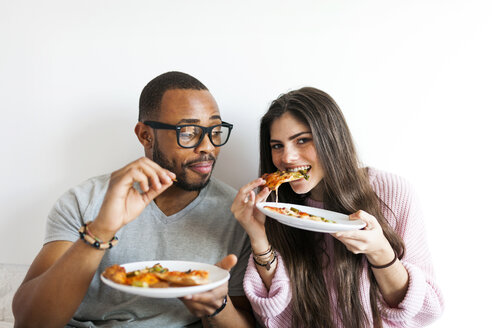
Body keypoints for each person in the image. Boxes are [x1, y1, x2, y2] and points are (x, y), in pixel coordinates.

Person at [13, 71, 254, 328]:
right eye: (189, 132)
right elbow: (30, 321)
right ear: (145, 136)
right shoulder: (85, 200)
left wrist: (217, 307)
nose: (208, 146)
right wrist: (101, 230)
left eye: (215, 130)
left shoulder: (236, 212)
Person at [231, 87, 444, 327]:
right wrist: (258, 236)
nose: (287, 157)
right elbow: (274, 315)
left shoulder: (390, 191)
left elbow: (427, 310)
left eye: (302, 140)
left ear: (331, 139)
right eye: (277, 145)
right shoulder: (276, 206)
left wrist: (381, 253)